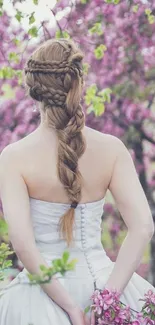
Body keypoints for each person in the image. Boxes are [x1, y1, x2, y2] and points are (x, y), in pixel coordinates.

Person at [0, 38, 154, 325]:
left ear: (34, 90)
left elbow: (23, 244)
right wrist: (110, 296)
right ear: (79, 84)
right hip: (104, 286)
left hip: (38, 301)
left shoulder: (13, 157)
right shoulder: (112, 148)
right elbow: (143, 226)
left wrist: (70, 308)